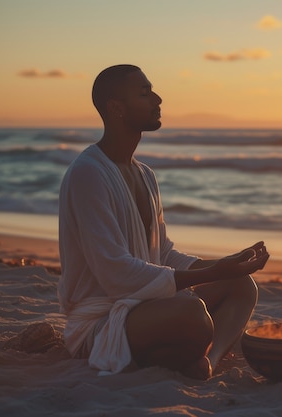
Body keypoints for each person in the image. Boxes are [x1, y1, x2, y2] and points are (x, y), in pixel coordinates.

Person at [57, 64, 269, 380]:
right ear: (116, 108)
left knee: (242, 286)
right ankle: (178, 354)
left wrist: (225, 267)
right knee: (193, 314)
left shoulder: (145, 175)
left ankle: (207, 360)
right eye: (144, 93)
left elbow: (163, 254)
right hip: (103, 320)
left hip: (148, 305)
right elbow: (116, 274)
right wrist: (212, 273)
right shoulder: (88, 173)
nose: (158, 99)